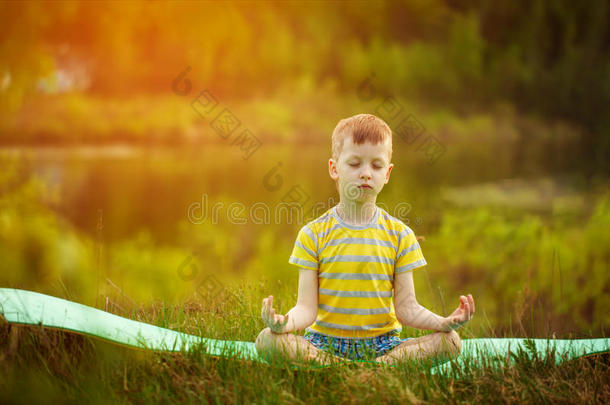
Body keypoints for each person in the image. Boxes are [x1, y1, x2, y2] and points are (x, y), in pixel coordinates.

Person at [255, 113, 475, 365]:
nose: (366, 173)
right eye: (355, 163)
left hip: (384, 345)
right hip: (324, 343)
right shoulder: (312, 234)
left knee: (450, 341)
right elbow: (306, 309)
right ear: (334, 168)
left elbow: (407, 308)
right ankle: (345, 367)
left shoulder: (400, 235)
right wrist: (284, 323)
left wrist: (444, 322)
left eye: (376, 166)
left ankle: (373, 368)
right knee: (267, 339)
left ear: (388, 173)